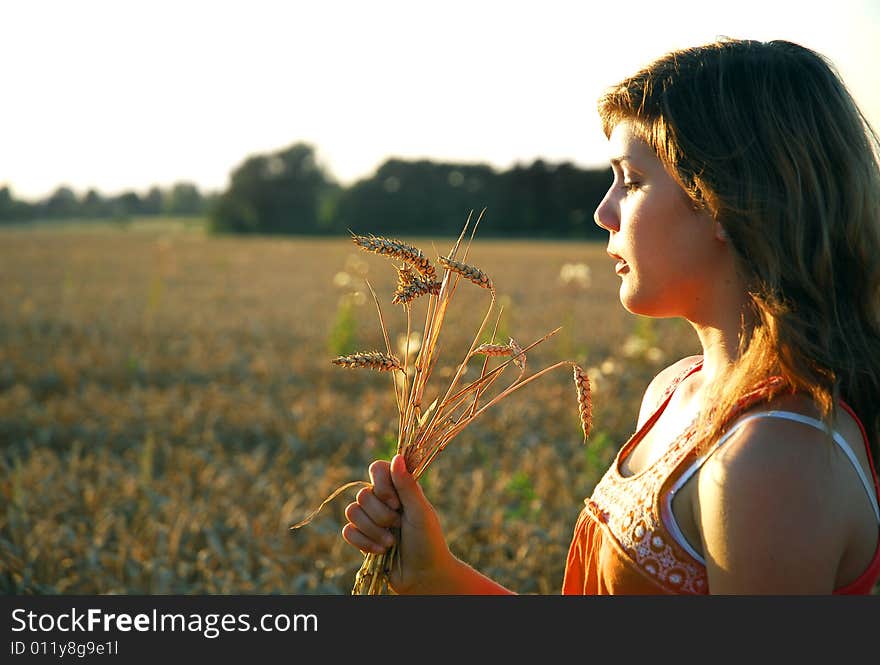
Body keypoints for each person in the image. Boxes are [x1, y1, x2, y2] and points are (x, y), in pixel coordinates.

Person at [340, 38, 880, 594]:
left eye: (632, 180)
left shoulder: (776, 456)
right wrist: (440, 578)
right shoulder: (675, 390)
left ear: (727, 200)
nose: (603, 212)